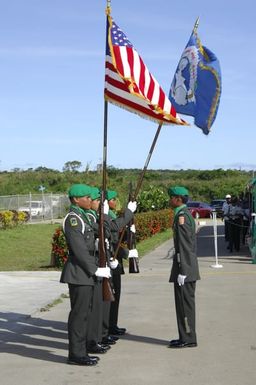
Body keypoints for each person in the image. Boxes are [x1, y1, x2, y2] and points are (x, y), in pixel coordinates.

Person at [60, 184, 111, 366]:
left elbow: (101, 231)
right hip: (78, 272)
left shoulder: (83, 217)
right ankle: (76, 354)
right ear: (75, 200)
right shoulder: (73, 219)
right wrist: (95, 269)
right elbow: (79, 249)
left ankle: (81, 351)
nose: (90, 200)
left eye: (91, 197)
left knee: (86, 313)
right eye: (87, 197)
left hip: (85, 272)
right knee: (79, 314)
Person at [167, 186, 200, 349]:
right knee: (182, 305)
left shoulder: (182, 217)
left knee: (185, 305)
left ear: (178, 199)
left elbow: (186, 246)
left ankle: (188, 338)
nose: (169, 200)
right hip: (184, 266)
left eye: (171, 197)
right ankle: (184, 336)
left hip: (185, 268)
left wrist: (184, 271)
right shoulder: (182, 214)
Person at [105, 189, 137, 339]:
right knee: (111, 295)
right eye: (113, 199)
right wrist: (125, 253)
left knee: (116, 295)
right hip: (111, 260)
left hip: (115, 261)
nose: (115, 201)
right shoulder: (107, 217)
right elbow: (114, 235)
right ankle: (107, 327)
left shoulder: (110, 215)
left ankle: (112, 325)